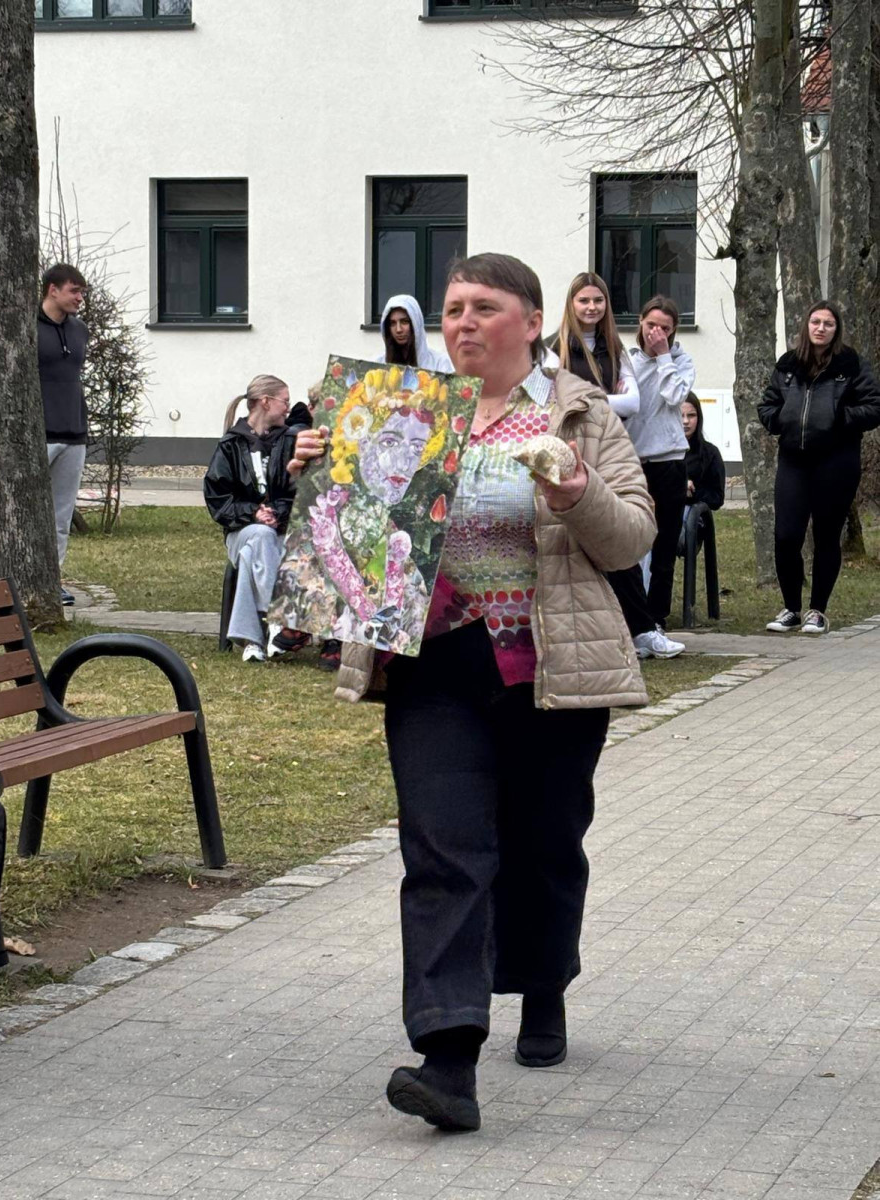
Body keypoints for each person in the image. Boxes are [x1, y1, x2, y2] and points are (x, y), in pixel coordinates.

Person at [286, 253, 655, 1133]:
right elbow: (355, 537)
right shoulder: (401, 411)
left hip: (550, 666)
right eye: (453, 308)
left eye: (483, 308)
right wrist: (321, 473)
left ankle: (544, 988)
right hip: (435, 667)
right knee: (444, 850)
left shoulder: (579, 412)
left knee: (544, 844)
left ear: (532, 322)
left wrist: (576, 490)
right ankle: (448, 1056)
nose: (462, 323)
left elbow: (631, 535)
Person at [269, 366, 449, 655]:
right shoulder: (320, 527)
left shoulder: (396, 544)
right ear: (362, 441)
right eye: (390, 442)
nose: (405, 463)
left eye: (417, 448)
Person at [758, 300, 880, 634]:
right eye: (815, 322)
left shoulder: (850, 364)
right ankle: (791, 608)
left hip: (836, 461)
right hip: (794, 460)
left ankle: (817, 611)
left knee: (826, 536)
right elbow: (767, 405)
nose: (821, 328)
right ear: (806, 326)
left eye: (828, 323)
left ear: (836, 329)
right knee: (786, 536)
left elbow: (874, 406)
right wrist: (781, 419)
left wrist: (840, 419)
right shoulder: (788, 364)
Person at [605, 297, 694, 658]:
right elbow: (627, 402)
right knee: (628, 543)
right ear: (640, 322)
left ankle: (656, 620)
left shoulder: (680, 360)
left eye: (666, 328)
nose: (657, 333)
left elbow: (676, 396)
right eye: (651, 325)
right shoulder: (625, 359)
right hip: (630, 460)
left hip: (669, 460)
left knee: (664, 546)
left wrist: (663, 358)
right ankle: (633, 620)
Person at [203, 375, 291, 662]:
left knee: (255, 549)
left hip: (280, 531)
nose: (288, 409)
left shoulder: (287, 442)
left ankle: (252, 641)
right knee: (259, 538)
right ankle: (277, 623)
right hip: (240, 531)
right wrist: (252, 513)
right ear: (266, 402)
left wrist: (275, 513)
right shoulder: (230, 445)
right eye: (285, 402)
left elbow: (298, 492)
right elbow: (218, 500)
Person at [39, 263, 89, 606]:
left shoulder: (80, 330)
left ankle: (52, 582)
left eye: (82, 292)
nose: (79, 298)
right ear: (52, 289)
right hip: (37, 435)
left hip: (74, 433)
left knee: (60, 515)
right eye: (74, 291)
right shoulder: (25, 327)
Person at [549, 271, 639, 419]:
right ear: (571, 304)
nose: (592, 307)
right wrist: (611, 398)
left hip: (608, 439)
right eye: (584, 301)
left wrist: (580, 399)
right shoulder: (553, 348)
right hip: (569, 439)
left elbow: (633, 404)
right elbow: (550, 403)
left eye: (598, 300)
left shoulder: (615, 348)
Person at [675, 392, 725, 561]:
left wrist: (692, 492)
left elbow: (717, 498)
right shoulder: (661, 452)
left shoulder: (710, 454)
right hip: (659, 514)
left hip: (690, 521)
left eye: (691, 415)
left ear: (699, 417)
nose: (685, 421)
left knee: (656, 535)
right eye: (680, 415)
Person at [378, 294, 453, 372]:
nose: (398, 329)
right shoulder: (379, 365)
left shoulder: (440, 364)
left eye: (404, 322)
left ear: (416, 323)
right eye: (392, 323)